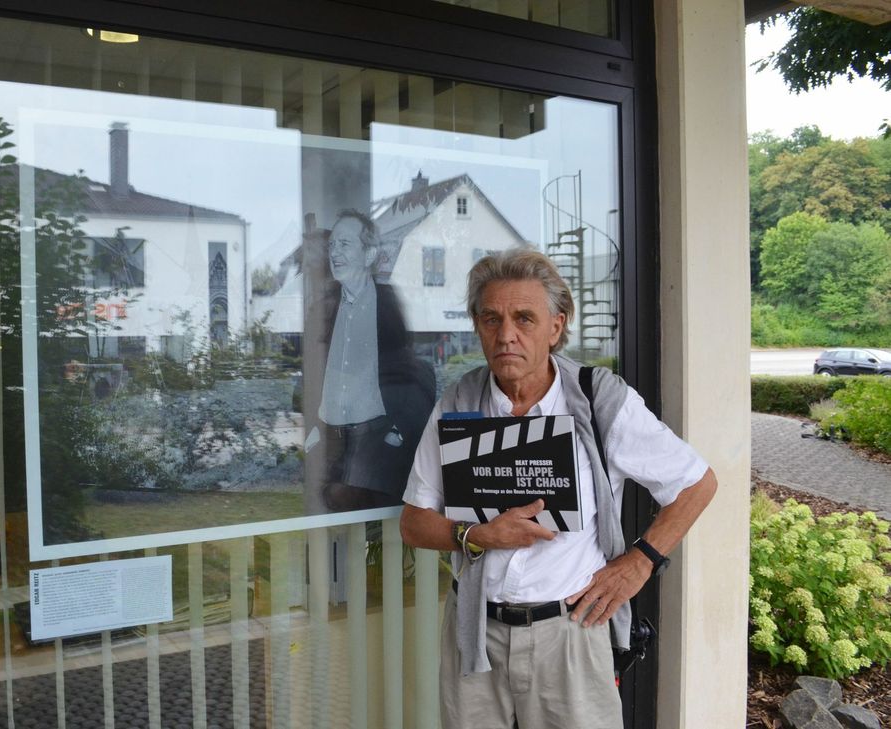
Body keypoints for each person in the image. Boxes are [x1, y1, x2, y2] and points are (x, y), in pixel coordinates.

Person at [399, 249, 717, 729]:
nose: (506, 334)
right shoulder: (459, 401)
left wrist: (639, 563)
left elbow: (696, 483)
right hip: (476, 633)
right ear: (477, 326)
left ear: (556, 326)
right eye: (491, 319)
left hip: (570, 632)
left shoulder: (598, 398)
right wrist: (478, 535)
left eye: (524, 318)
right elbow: (414, 522)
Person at [306, 209, 435, 512]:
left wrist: (395, 432)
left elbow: (405, 369)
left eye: (345, 245)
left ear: (369, 254)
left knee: (364, 517)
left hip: (377, 441)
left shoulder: (383, 304)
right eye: (333, 246)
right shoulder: (330, 305)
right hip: (342, 441)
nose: (335, 253)